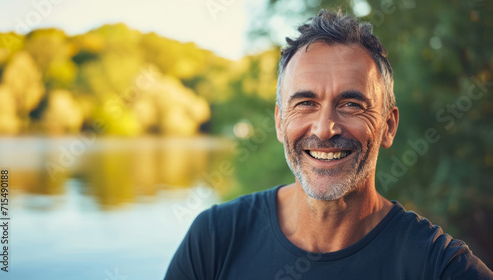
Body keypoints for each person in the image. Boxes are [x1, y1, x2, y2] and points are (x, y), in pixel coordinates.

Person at [165, 9, 493, 280]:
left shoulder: (439, 267)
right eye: (306, 103)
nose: (324, 129)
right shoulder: (215, 239)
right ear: (280, 122)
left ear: (388, 126)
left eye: (351, 104)